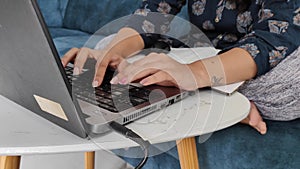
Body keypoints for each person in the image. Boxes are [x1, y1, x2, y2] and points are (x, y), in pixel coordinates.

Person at [61, 0, 300, 135]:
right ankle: (215, 94)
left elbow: (273, 41)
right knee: (110, 48)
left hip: (272, 58)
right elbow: (154, 12)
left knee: (291, 81)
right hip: (208, 52)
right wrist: (109, 53)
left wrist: (193, 73)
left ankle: (203, 90)